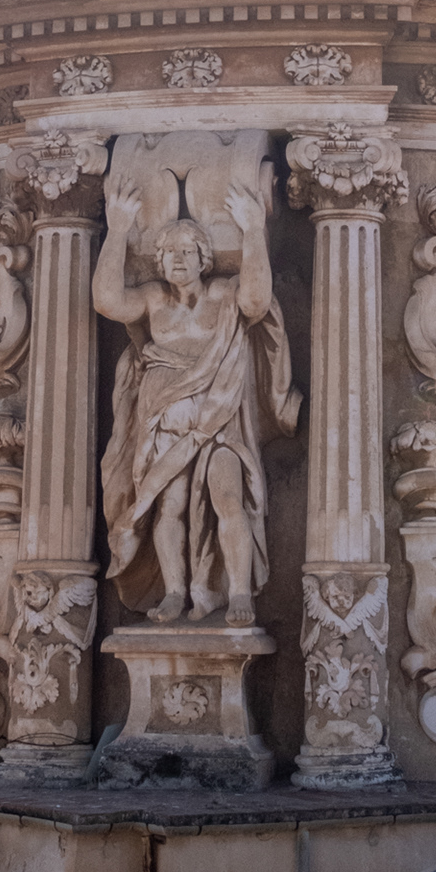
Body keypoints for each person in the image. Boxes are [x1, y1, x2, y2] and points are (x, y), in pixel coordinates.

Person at [95, 176, 299, 624]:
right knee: (170, 504)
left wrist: (252, 231)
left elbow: (257, 301)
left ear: (204, 258)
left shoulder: (222, 293)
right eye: (169, 253)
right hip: (164, 417)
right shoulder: (152, 300)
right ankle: (173, 592)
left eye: (188, 251)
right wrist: (116, 229)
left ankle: (239, 592)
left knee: (228, 496)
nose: (179, 259)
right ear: (160, 261)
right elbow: (108, 301)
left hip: (217, 414)